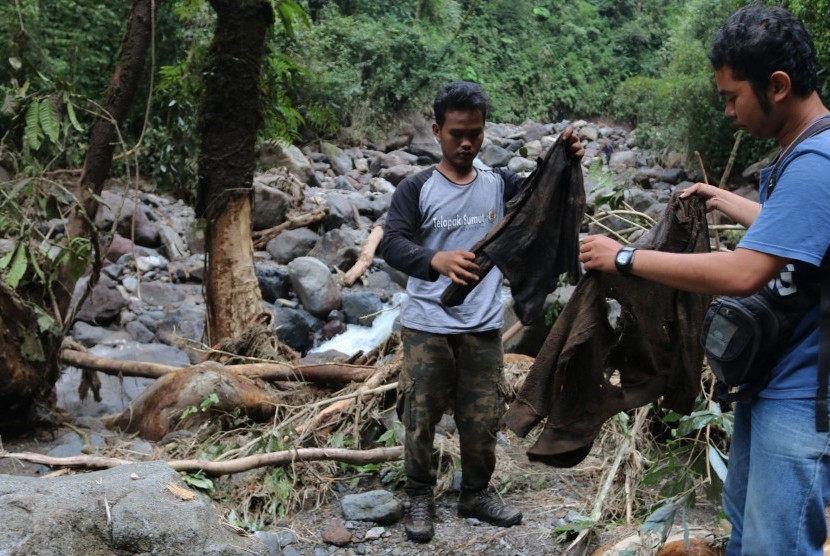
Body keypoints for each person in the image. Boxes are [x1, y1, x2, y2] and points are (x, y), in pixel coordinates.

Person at [578, 6, 830, 555]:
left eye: (732, 96)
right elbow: (800, 235)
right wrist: (725, 200)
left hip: (804, 396)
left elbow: (742, 274)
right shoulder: (809, 151)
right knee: (746, 530)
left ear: (778, 86)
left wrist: (624, 259)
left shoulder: (816, 163)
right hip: (776, 381)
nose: (728, 111)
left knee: (775, 545)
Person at [380, 81, 584, 542]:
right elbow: (392, 243)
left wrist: (565, 157)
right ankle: (419, 495)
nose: (467, 143)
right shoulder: (417, 188)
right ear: (436, 131)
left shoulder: (499, 184)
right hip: (427, 324)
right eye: (456, 133)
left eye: (474, 132)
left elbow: (541, 199)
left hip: (482, 324)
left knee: (483, 415)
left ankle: (475, 493)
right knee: (420, 415)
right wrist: (436, 260)